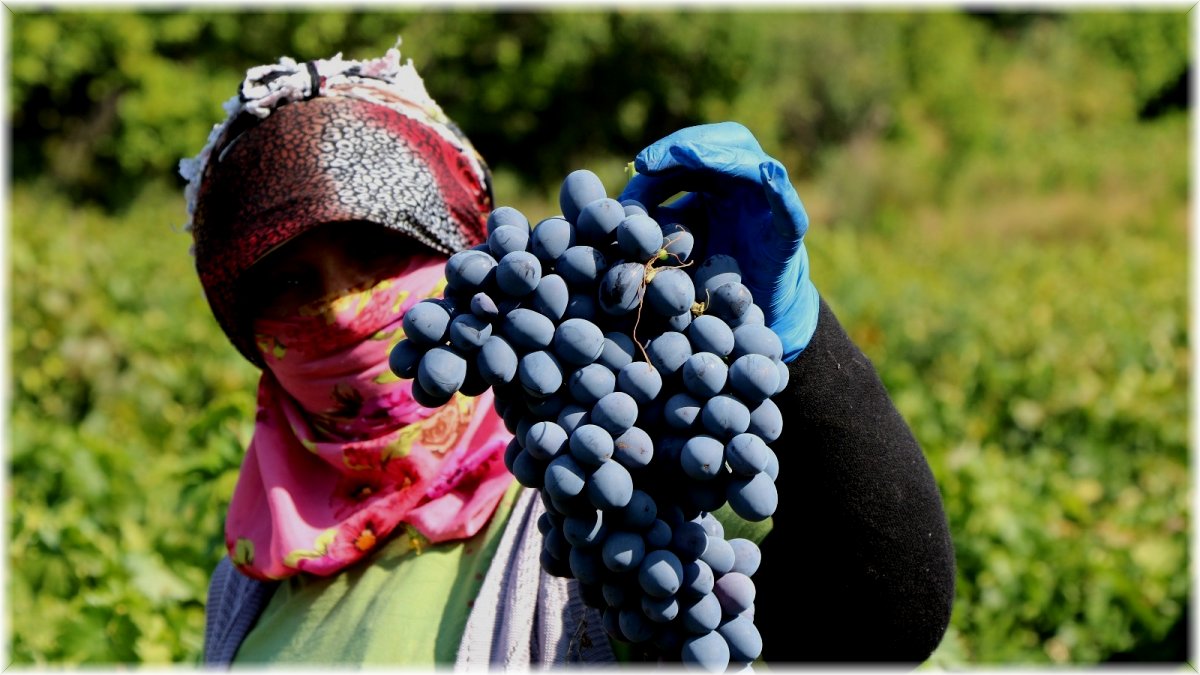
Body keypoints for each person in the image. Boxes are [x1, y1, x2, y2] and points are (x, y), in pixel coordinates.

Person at [181, 43, 956, 668]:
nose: (347, 307)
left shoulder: (593, 491)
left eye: (379, 249)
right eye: (288, 281)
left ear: (464, 251)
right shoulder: (252, 573)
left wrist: (803, 347)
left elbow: (873, 624)